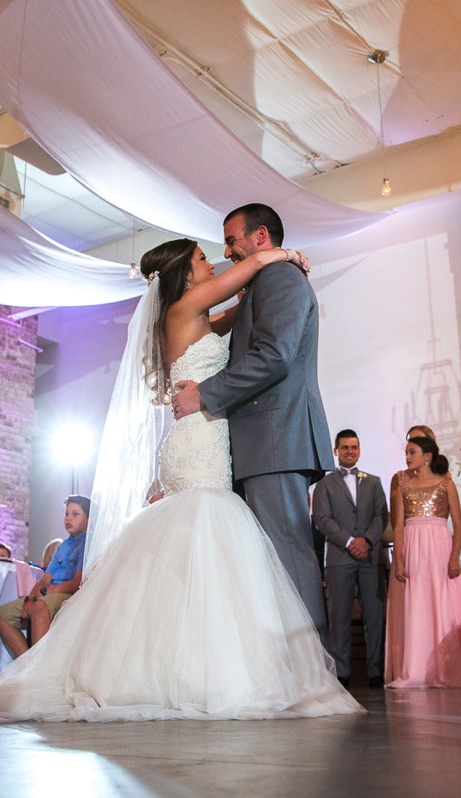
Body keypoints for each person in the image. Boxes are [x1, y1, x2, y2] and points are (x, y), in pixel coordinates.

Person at [0, 237, 359, 723]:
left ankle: (182, 662)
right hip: (199, 444)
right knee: (209, 539)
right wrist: (284, 255)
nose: (210, 261)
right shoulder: (186, 307)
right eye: (199, 258)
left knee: (195, 551)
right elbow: (250, 266)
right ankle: (195, 671)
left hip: (201, 439)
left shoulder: (194, 315)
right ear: (184, 275)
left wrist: (258, 287)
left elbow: (237, 310)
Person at [170, 203, 333, 639]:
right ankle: (286, 667)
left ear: (260, 237)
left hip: (274, 437)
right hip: (258, 440)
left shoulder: (279, 277)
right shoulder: (259, 284)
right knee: (268, 560)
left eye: (231, 240)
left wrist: (203, 393)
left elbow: (273, 357)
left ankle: (314, 673)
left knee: (288, 554)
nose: (226, 252)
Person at [387, 436, 461, 688]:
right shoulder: (402, 484)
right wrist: (399, 560)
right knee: (417, 604)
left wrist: (455, 556)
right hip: (413, 546)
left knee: (442, 602)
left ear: (427, 456)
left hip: (439, 547)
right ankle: (417, 669)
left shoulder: (445, 484)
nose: (407, 457)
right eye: (406, 452)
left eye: (412, 452)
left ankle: (448, 666)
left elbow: (458, 524)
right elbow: (399, 527)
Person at [312, 429, 388, 689]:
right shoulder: (323, 485)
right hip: (339, 557)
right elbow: (322, 519)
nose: (350, 451)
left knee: (374, 616)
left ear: (359, 450)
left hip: (370, 557)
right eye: (345, 447)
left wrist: (366, 541)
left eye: (354, 447)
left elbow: (381, 517)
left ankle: (376, 672)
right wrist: (349, 541)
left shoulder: (374, 482)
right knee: (339, 617)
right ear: (336, 451)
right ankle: (341, 673)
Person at [0, 497, 88, 658]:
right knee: (3, 614)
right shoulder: (63, 546)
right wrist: (30, 599)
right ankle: (26, 663)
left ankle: (38, 668)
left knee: (40, 606)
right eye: (66, 514)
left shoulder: (87, 542)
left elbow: (77, 583)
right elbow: (45, 579)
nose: (68, 518)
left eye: (75, 514)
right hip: (49, 593)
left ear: (88, 519)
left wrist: (45, 594)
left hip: (68, 594)